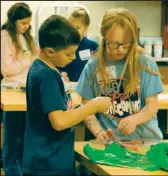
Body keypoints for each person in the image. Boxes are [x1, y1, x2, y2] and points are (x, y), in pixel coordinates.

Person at [22, 14, 112, 176]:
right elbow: (60, 121)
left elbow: (64, 109)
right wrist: (94, 105)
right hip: (48, 164)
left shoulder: (42, 69)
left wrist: (96, 129)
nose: (73, 58)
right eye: (68, 54)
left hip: (49, 160)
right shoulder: (46, 75)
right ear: (49, 51)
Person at [75, 8, 164, 141]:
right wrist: (98, 131)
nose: (121, 49)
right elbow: (86, 106)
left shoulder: (145, 62)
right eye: (115, 44)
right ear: (104, 38)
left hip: (147, 141)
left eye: (127, 43)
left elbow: (152, 106)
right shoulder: (93, 66)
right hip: (113, 144)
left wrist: (135, 119)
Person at [1, 2, 36, 176]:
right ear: (13, 20)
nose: (26, 26)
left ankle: (22, 168)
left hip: (26, 87)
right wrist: (27, 62)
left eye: (28, 22)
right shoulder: (5, 36)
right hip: (11, 89)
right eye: (23, 23)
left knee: (25, 134)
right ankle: (11, 170)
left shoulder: (27, 36)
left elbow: (35, 58)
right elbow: (6, 68)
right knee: (13, 136)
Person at [60, 8, 99, 82]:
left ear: (86, 28)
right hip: (70, 86)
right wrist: (61, 74)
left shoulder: (93, 46)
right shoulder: (63, 47)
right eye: (71, 27)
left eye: (77, 28)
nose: (73, 31)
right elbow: (57, 66)